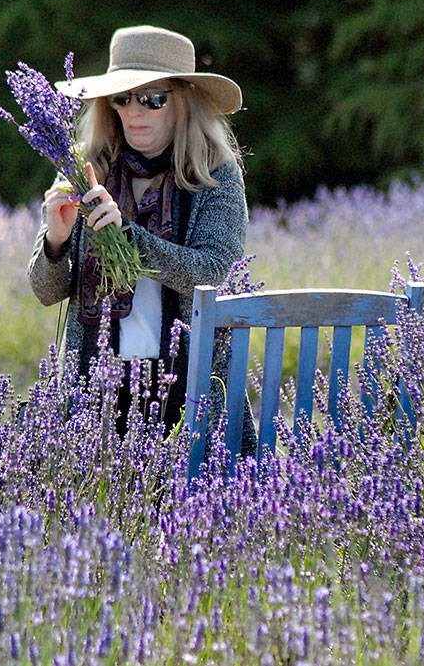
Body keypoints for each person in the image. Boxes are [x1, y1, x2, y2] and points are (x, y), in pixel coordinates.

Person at [27, 25, 256, 453]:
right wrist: (55, 242)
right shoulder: (86, 169)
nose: (134, 111)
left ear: (182, 101)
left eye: (152, 98)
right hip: (92, 388)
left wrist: (126, 236)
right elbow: (45, 291)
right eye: (121, 98)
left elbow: (208, 273)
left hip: (187, 386)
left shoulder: (214, 175)